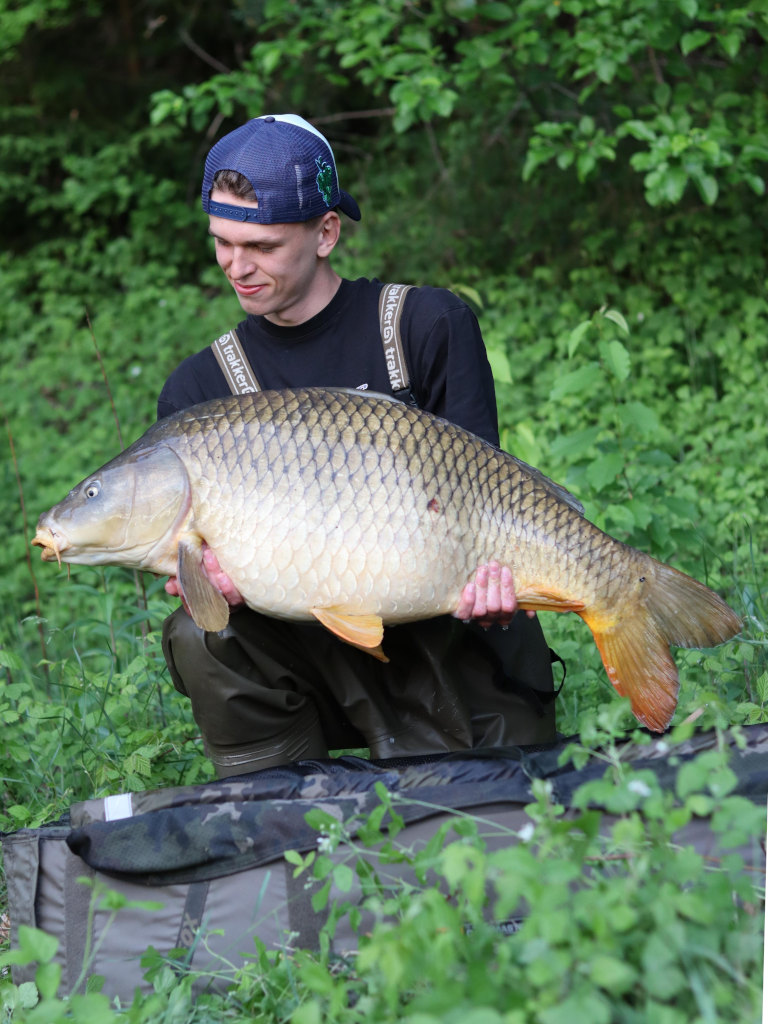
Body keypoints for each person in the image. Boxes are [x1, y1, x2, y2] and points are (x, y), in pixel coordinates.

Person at [159, 113, 558, 777]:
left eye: (260, 245)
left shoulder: (428, 325)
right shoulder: (202, 389)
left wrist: (494, 586)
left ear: (326, 233)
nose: (237, 265)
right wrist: (212, 584)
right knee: (198, 635)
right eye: (222, 243)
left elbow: (483, 507)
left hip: (444, 641)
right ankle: (279, 811)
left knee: (479, 844)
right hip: (311, 662)